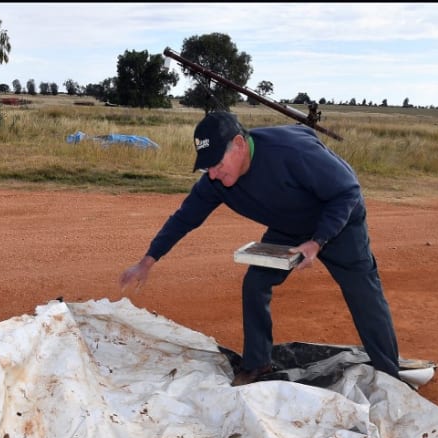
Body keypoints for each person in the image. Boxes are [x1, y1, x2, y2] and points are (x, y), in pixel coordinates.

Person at [119, 111, 399, 386]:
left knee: (363, 292)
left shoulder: (291, 151)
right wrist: (147, 260)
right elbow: (185, 218)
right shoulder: (216, 182)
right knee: (256, 282)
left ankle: (389, 376)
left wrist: (318, 240)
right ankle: (257, 363)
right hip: (288, 227)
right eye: (207, 167)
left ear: (239, 144)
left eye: (216, 163)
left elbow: (347, 190)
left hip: (338, 223)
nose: (213, 174)